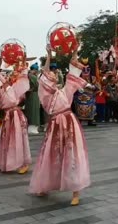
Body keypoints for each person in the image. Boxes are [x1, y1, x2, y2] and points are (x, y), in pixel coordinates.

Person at [29, 46, 90, 206]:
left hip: (69, 124)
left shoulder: (66, 90)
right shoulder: (46, 96)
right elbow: (44, 73)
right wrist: (49, 56)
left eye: (54, 74)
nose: (53, 75)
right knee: (51, 154)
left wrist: (75, 51)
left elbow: (73, 69)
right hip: (55, 126)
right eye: (50, 75)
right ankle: (45, 185)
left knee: (72, 155)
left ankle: (76, 191)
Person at [0, 57, 31, 174]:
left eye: (11, 76)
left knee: (18, 138)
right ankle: (6, 162)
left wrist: (22, 61)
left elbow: (24, 76)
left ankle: (23, 163)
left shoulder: (16, 88)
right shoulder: (1, 91)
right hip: (8, 116)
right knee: (7, 139)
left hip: (16, 115)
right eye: (7, 76)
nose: (9, 77)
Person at [73, 58, 98, 126]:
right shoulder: (78, 78)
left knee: (91, 107)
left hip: (90, 96)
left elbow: (97, 87)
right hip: (80, 96)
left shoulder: (93, 78)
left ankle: (91, 120)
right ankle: (79, 120)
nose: (86, 71)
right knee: (79, 108)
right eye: (84, 69)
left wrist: (92, 87)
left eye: (88, 69)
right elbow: (74, 87)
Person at [24, 63, 41, 134]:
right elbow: (37, 86)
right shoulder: (32, 76)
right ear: (35, 70)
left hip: (30, 94)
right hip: (33, 94)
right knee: (33, 111)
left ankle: (30, 127)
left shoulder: (28, 75)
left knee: (30, 110)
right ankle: (32, 128)